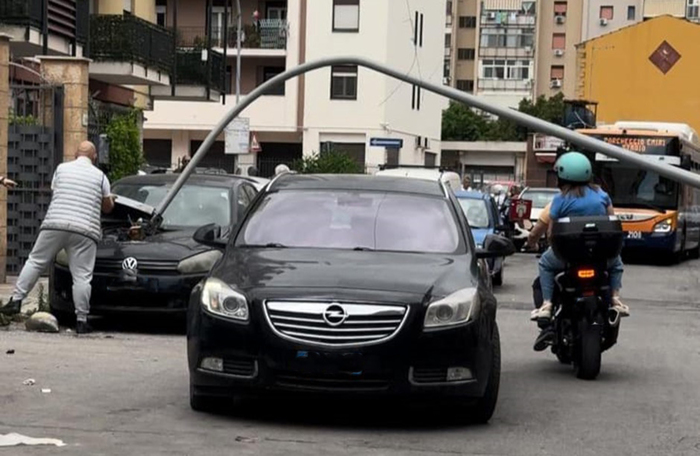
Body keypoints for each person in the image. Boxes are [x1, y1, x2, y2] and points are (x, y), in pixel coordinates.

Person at [0, 141, 115, 334]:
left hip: (55, 223)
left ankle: (16, 301)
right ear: (94, 158)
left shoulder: (61, 169)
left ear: (76, 154)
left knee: (36, 261)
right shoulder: (101, 177)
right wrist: (110, 199)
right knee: (82, 276)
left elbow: (57, 191)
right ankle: (81, 320)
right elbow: (107, 207)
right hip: (85, 230)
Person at [530, 151, 628, 325]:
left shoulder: (560, 200)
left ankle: (546, 305)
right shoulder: (602, 195)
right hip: (600, 256)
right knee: (617, 263)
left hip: (567, 258)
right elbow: (612, 222)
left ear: (561, 177)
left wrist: (548, 244)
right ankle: (615, 299)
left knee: (545, 263)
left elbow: (552, 231)